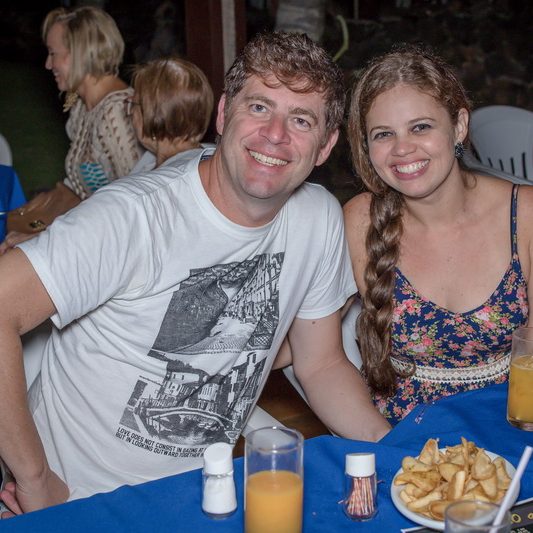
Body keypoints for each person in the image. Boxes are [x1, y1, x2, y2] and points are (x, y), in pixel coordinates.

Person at [0, 31, 390, 516]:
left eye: (301, 119)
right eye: (259, 107)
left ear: (326, 145)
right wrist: (34, 478)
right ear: (223, 114)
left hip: (200, 498)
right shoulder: (135, 217)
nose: (275, 134)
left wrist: (392, 449)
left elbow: (322, 365)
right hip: (79, 499)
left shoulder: (317, 218)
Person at [343, 43, 532, 426]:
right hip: (399, 434)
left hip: (509, 427)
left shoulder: (524, 213)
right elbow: (313, 346)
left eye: (421, 127)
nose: (402, 149)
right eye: (383, 134)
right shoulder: (360, 220)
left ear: (459, 126)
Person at [1, 6, 143, 250]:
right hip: (91, 234)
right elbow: (85, 192)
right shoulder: (83, 107)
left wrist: (48, 239)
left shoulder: (116, 115)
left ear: (79, 54)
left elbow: (133, 208)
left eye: (53, 53)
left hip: (117, 246)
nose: (48, 64)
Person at [127, 56, 214, 173]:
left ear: (156, 116)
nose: (131, 112)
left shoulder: (182, 174)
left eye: (134, 103)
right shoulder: (150, 158)